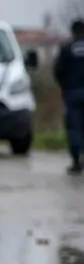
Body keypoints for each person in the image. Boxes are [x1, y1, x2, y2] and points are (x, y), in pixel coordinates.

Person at [54, 19, 84, 175]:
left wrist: (64, 86)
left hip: (72, 93)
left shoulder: (66, 48)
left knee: (74, 127)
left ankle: (76, 162)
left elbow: (58, 70)